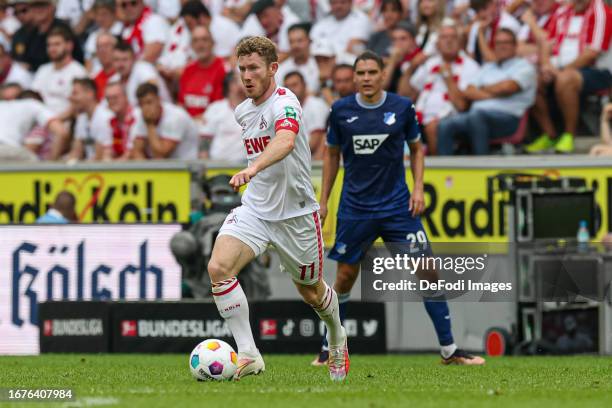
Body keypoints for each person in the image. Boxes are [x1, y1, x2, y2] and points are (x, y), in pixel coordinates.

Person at [314, 50, 486, 367]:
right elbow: (331, 156)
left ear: (382, 75)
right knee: (345, 278)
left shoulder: (402, 107)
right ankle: (328, 348)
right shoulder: (340, 111)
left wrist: (418, 186)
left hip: (396, 209)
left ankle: (450, 350)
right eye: (360, 73)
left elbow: (418, 149)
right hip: (356, 209)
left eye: (371, 72)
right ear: (354, 78)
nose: (366, 78)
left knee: (428, 272)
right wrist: (323, 200)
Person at [206, 36, 349, 381]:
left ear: (273, 69)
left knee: (311, 291)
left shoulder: (286, 103)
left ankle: (337, 336)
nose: (247, 76)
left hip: (296, 215)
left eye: (254, 68)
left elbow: (285, 141)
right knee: (218, 267)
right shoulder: (243, 111)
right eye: (242, 69)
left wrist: (253, 169)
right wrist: (255, 176)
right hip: (256, 209)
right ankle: (249, 354)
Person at [525, 0, 612, 154]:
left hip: (599, 71)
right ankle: (549, 134)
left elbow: (592, 53)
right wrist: (546, 66)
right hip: (560, 68)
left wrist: (561, 71)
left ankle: (569, 135)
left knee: (566, 79)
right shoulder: (562, 12)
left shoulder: (602, 12)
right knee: (530, 80)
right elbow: (547, 43)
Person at [437, 28, 536, 155]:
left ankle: (481, 163)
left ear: (515, 46)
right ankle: (446, 171)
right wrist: (497, 92)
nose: (502, 46)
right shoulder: (488, 67)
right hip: (477, 116)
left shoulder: (525, 66)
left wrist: (483, 89)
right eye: (498, 43)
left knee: (477, 116)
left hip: (508, 119)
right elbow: (469, 91)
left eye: (506, 42)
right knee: (445, 124)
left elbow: (507, 88)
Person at [403, 21, 480, 155]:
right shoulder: (430, 63)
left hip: (451, 117)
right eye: (444, 37)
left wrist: (448, 77)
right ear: (437, 44)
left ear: (460, 42)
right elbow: (406, 94)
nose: (448, 41)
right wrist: (411, 68)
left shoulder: (470, 66)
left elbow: (461, 105)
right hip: (421, 117)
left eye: (453, 37)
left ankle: (435, 169)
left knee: (433, 127)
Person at [129, 82, 198, 160]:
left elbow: (161, 155)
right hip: (166, 167)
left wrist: (150, 125)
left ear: (159, 99)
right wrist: (145, 171)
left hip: (186, 165)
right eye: (142, 104)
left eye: (149, 102)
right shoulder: (142, 116)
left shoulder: (175, 117)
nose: (146, 108)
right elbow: (137, 151)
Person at [11, 0, 83, 72]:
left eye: (42, 6)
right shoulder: (32, 32)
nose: (38, 10)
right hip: (39, 75)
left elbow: (70, 56)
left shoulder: (62, 27)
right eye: (34, 7)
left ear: (52, 7)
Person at [32, 26, 87, 115]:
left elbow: (77, 106)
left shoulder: (79, 72)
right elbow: (33, 98)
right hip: (39, 120)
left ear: (69, 46)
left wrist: (53, 122)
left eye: (57, 44)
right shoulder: (42, 70)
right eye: (49, 45)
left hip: (63, 123)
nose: (52, 49)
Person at [177, 25, 226, 119]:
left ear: (213, 43)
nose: (200, 45)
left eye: (204, 40)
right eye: (195, 41)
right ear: (191, 45)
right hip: (188, 125)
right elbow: (181, 103)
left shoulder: (223, 69)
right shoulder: (188, 70)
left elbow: (219, 110)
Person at [199, 71, 246, 161]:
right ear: (230, 84)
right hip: (217, 166)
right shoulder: (215, 108)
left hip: (245, 168)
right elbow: (205, 140)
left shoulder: (255, 108)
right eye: (241, 80)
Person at [283, 70, 329, 159]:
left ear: (304, 85)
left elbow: (316, 140)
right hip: (298, 156)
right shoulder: (290, 107)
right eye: (287, 87)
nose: (291, 89)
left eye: (294, 85)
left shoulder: (315, 105)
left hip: (314, 160)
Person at [111, 39, 170, 106]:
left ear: (134, 59)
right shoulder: (113, 79)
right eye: (117, 60)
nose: (120, 64)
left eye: (125, 59)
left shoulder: (143, 68)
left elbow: (152, 94)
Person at [67, 78, 114, 161]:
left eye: (75, 93)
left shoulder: (105, 118)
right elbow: (76, 151)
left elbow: (100, 156)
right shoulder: (82, 118)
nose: (70, 97)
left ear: (89, 94)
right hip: (89, 168)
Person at [466, 0, 521, 64]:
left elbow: (494, 61)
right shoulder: (478, 25)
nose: (481, 14)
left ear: (494, 5)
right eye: (477, 11)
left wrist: (480, 33)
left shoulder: (508, 24)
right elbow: (471, 56)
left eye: (484, 8)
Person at [275, 23, 320, 94]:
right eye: (291, 42)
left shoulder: (319, 64)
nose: (295, 45)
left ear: (309, 41)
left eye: (300, 41)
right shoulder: (281, 70)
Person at [105, 81, 134, 159]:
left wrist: (112, 167)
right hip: (121, 167)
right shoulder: (111, 122)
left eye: (115, 97)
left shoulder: (135, 117)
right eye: (108, 99)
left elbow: (132, 153)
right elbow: (107, 152)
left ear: (126, 97)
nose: (112, 101)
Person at [92, 32, 117, 100]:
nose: (102, 50)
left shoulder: (124, 74)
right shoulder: (95, 80)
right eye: (99, 47)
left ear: (115, 48)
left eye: (106, 46)